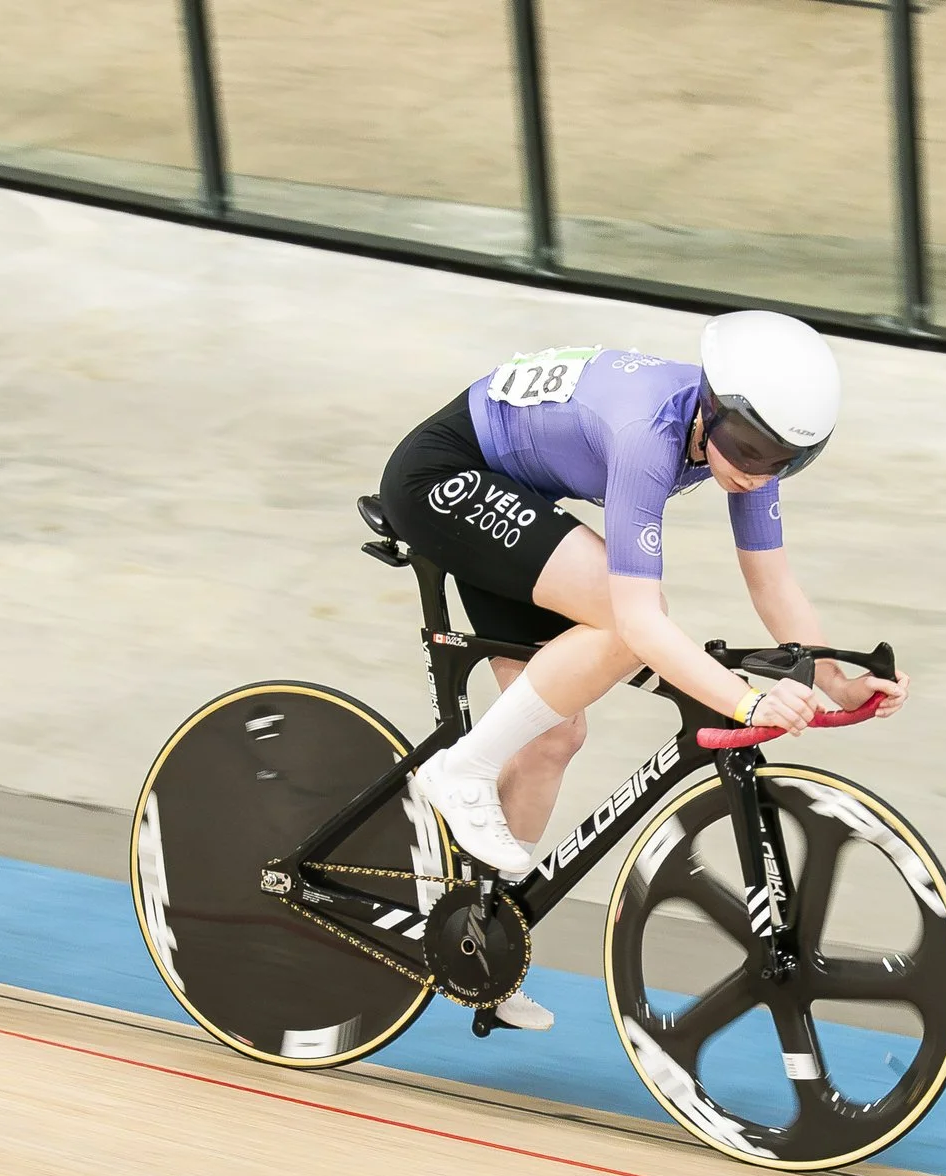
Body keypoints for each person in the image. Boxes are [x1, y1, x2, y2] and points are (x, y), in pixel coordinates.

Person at [377, 310, 909, 1032]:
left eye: (782, 459)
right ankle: (461, 768)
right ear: (711, 405)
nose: (756, 471)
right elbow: (638, 622)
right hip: (445, 475)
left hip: (514, 492)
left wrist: (832, 678)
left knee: (551, 738)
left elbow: (773, 586)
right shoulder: (648, 435)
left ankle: (480, 945)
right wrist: (746, 701)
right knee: (629, 619)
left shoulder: (746, 448)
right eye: (748, 447)